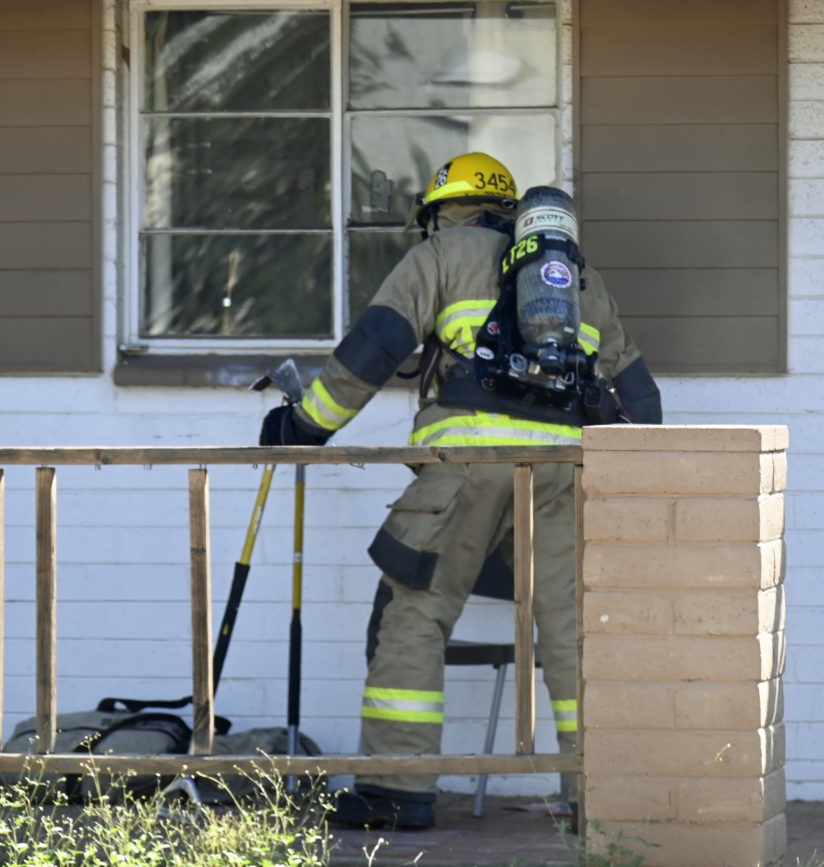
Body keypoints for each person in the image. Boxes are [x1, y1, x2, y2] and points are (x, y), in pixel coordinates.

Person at [259, 152, 661, 831]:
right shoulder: (577, 279)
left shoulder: (442, 254)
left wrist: (302, 425)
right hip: (562, 475)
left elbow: (376, 346)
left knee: (414, 615)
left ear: (443, 212)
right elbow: (641, 400)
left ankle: (397, 788)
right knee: (572, 630)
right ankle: (601, 795)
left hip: (467, 464)